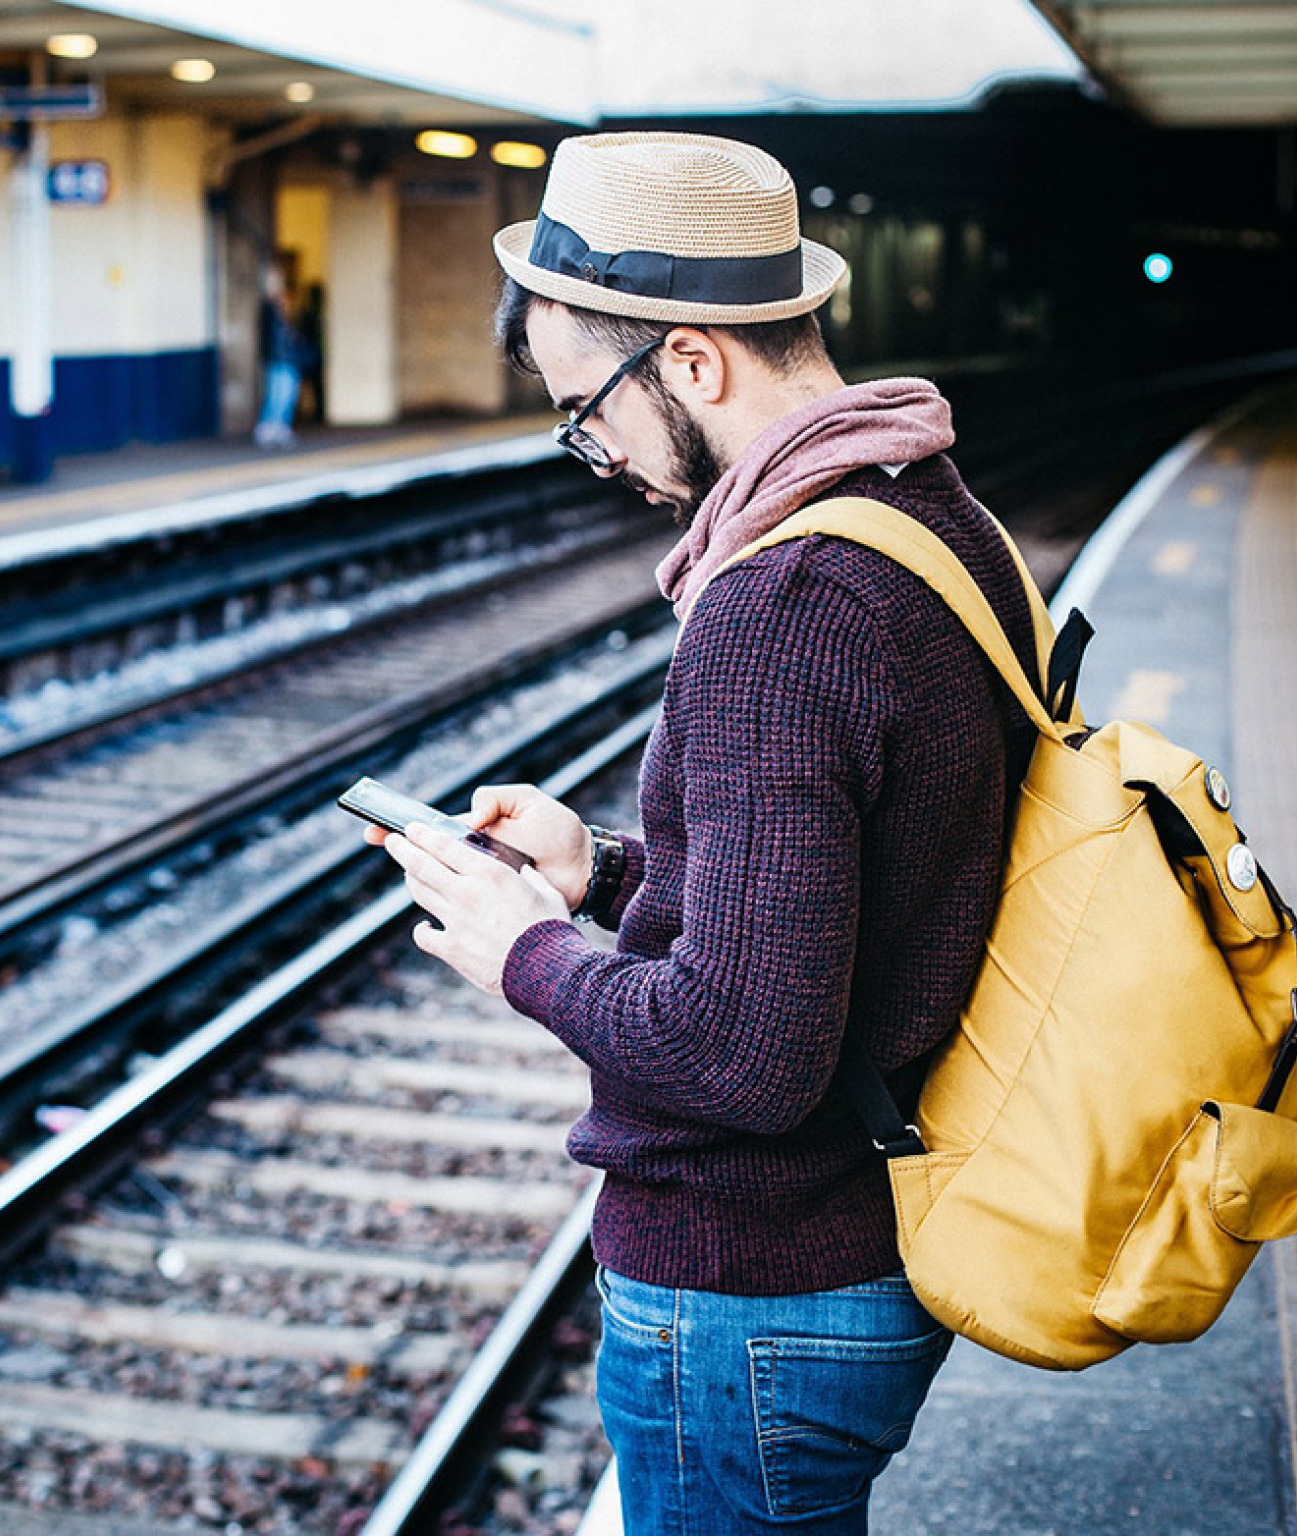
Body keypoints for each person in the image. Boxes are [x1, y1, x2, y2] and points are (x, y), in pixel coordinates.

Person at [370, 131, 1042, 1534]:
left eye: (585, 408)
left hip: (755, 1286)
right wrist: (603, 869)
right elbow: (873, 876)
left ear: (690, 359)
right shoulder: (932, 515)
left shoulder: (777, 606)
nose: (592, 451)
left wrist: (525, 948)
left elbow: (740, 1051)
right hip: (856, 1240)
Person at [254, 269, 308, 448]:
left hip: (288, 361)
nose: (287, 303)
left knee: (287, 396)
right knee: (278, 395)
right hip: (279, 361)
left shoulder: (285, 324)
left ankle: (279, 427)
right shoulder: (272, 317)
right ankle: (269, 427)